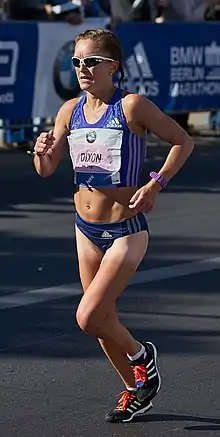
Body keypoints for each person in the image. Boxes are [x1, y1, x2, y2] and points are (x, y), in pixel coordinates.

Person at [33, 28, 194, 423]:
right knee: (102, 320)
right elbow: (47, 169)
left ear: (113, 67)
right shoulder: (69, 110)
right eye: (77, 62)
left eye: (91, 62)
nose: (83, 69)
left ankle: (142, 356)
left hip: (126, 228)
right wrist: (41, 152)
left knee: (88, 317)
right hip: (84, 228)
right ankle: (135, 391)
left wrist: (156, 184)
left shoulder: (132, 106)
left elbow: (183, 141)